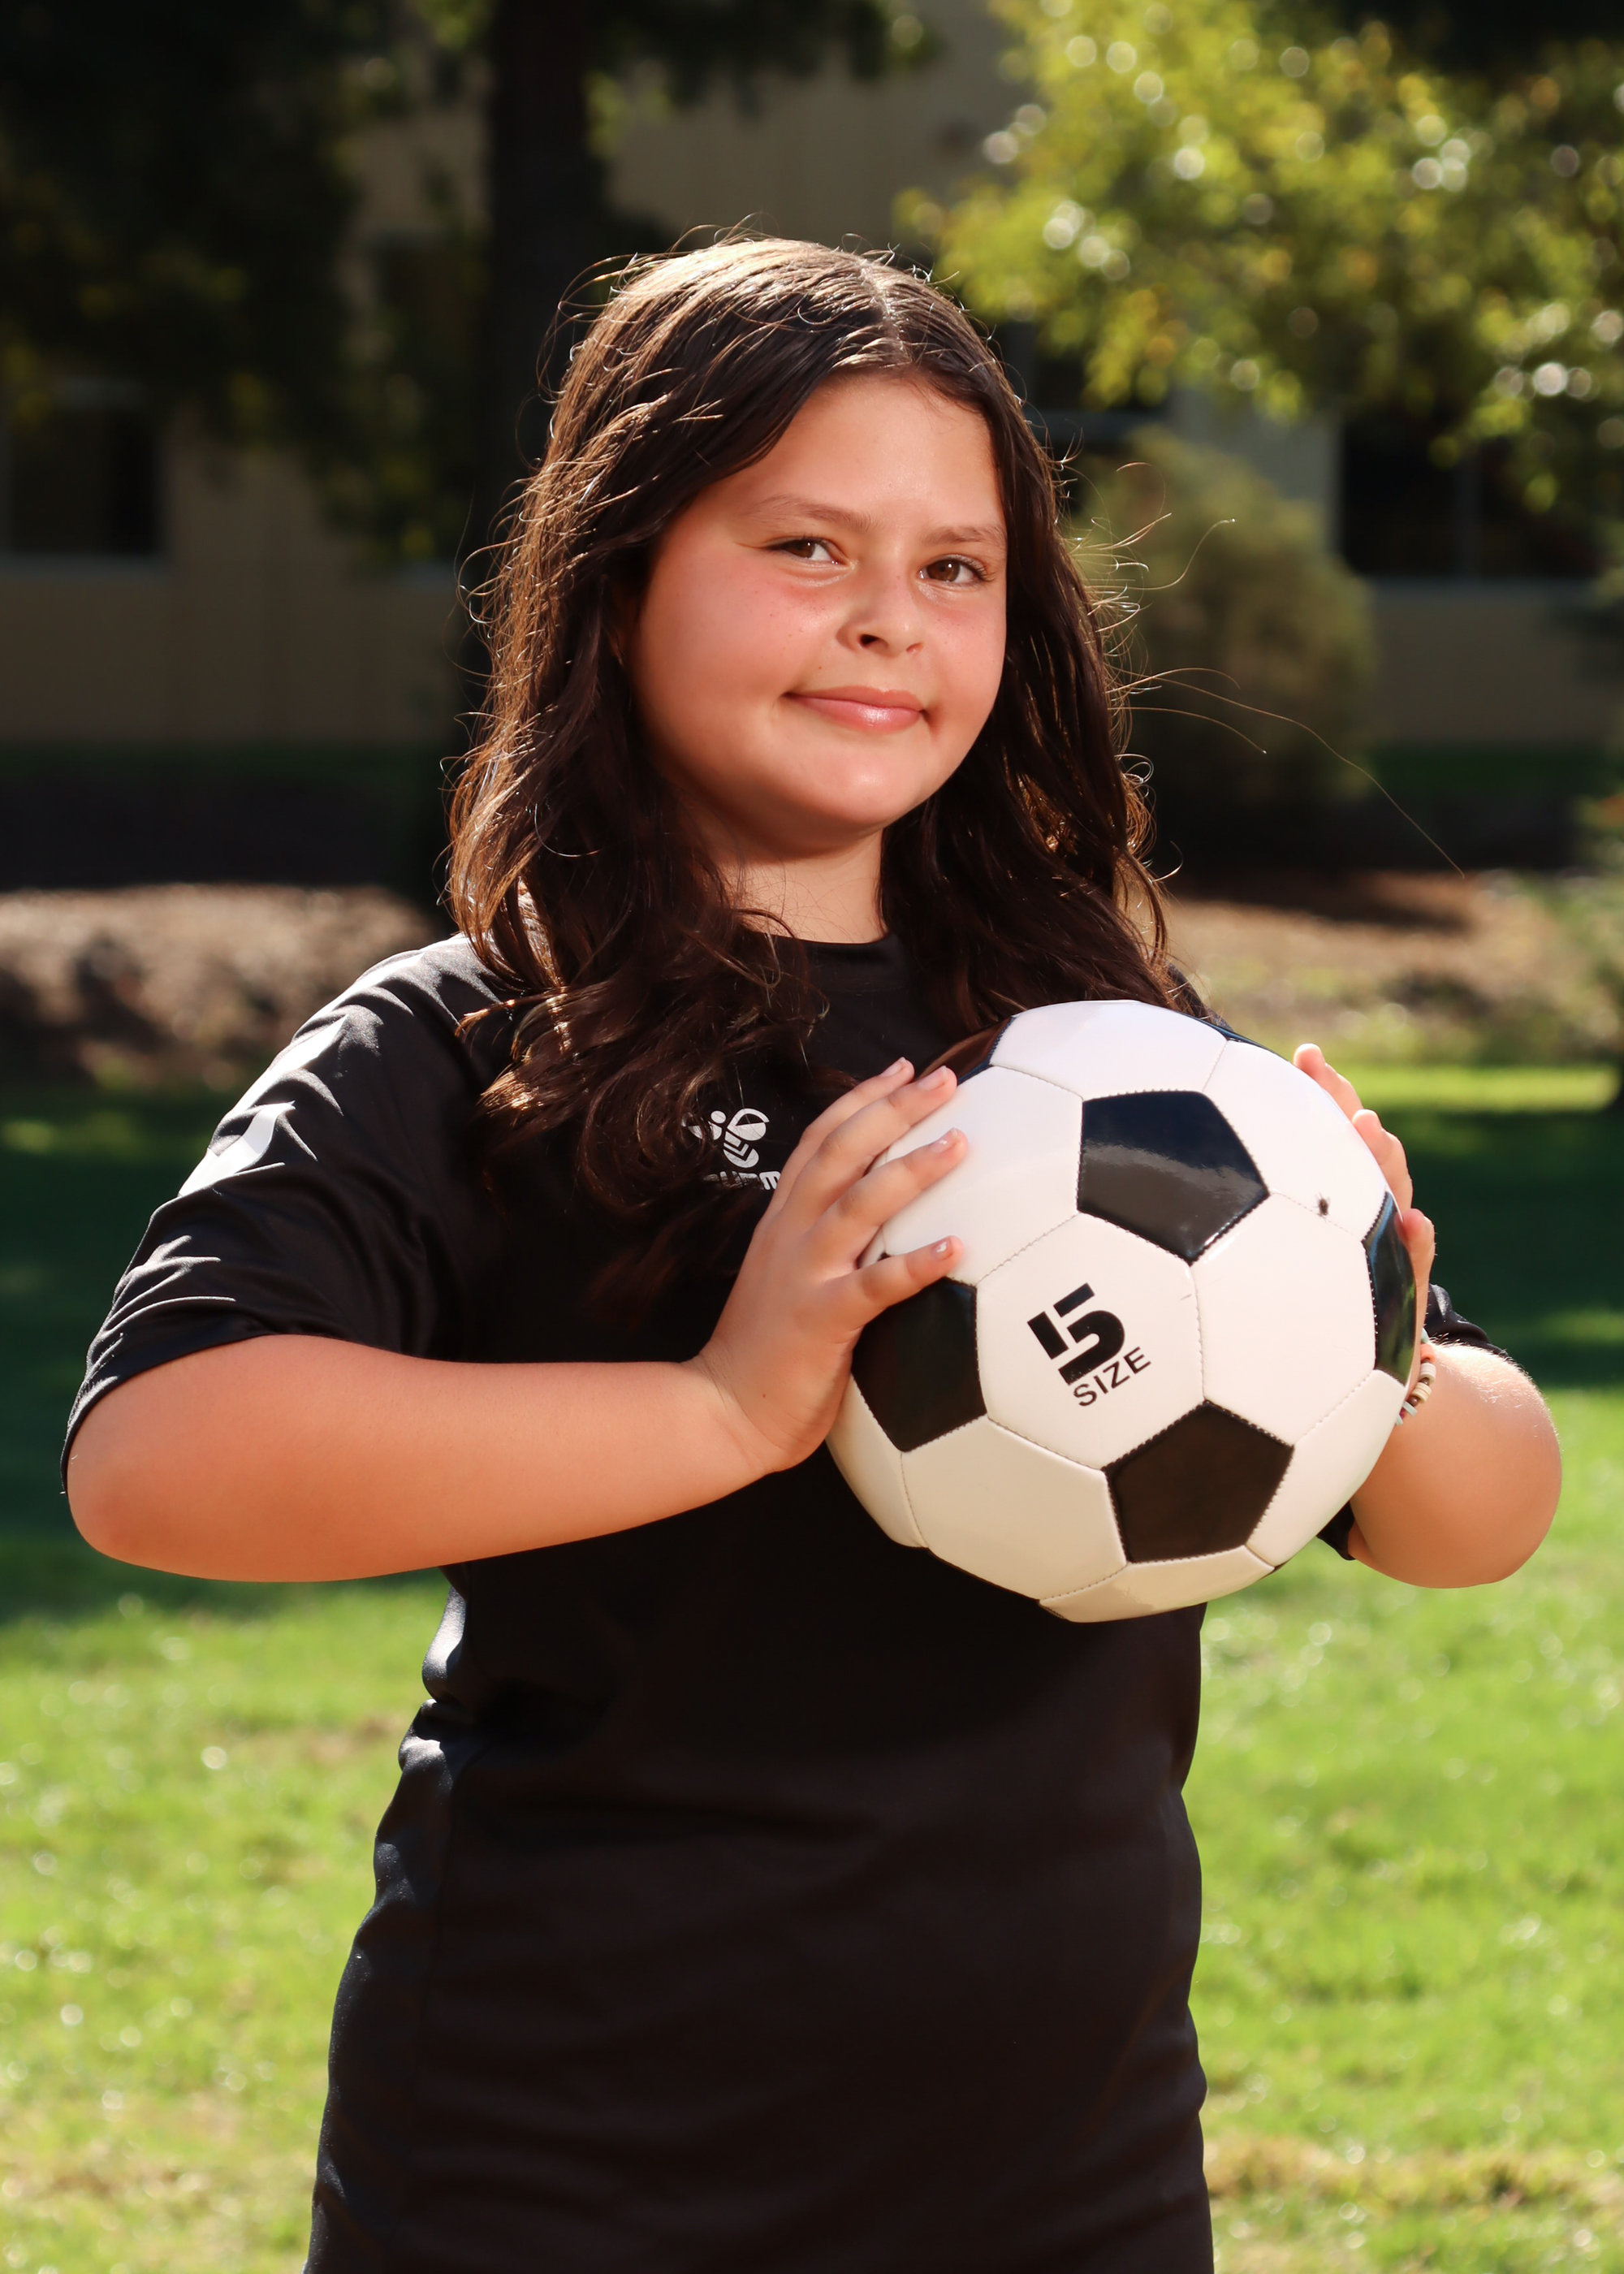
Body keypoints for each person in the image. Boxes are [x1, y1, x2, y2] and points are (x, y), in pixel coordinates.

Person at [64, 240, 1560, 2274]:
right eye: (804, 546)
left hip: (1066, 2177)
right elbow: (156, 1457)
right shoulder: (481, 1037)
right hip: (558, 2169)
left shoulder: (1117, 1057)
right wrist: (719, 1405)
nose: (887, 615)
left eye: (955, 566)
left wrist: (1375, 1329)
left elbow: (1481, 1515)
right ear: (619, 574)